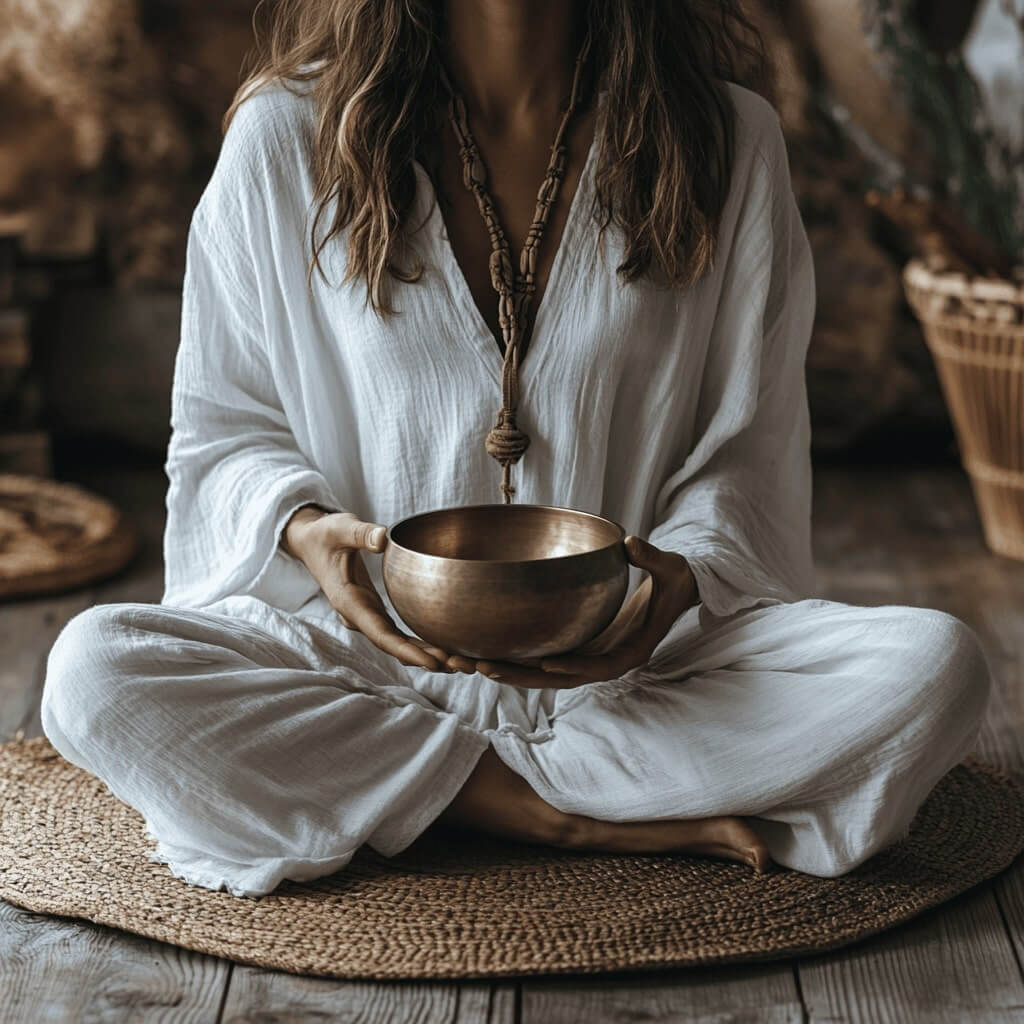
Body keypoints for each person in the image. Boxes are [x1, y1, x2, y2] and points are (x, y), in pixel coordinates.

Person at [40, 0, 991, 899]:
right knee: (95, 672)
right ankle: (557, 815)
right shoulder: (287, 134)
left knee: (935, 668)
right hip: (366, 663)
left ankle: (397, 790)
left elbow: (744, 449)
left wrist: (677, 583)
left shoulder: (729, 142)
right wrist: (306, 532)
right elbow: (226, 424)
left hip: (630, 671)